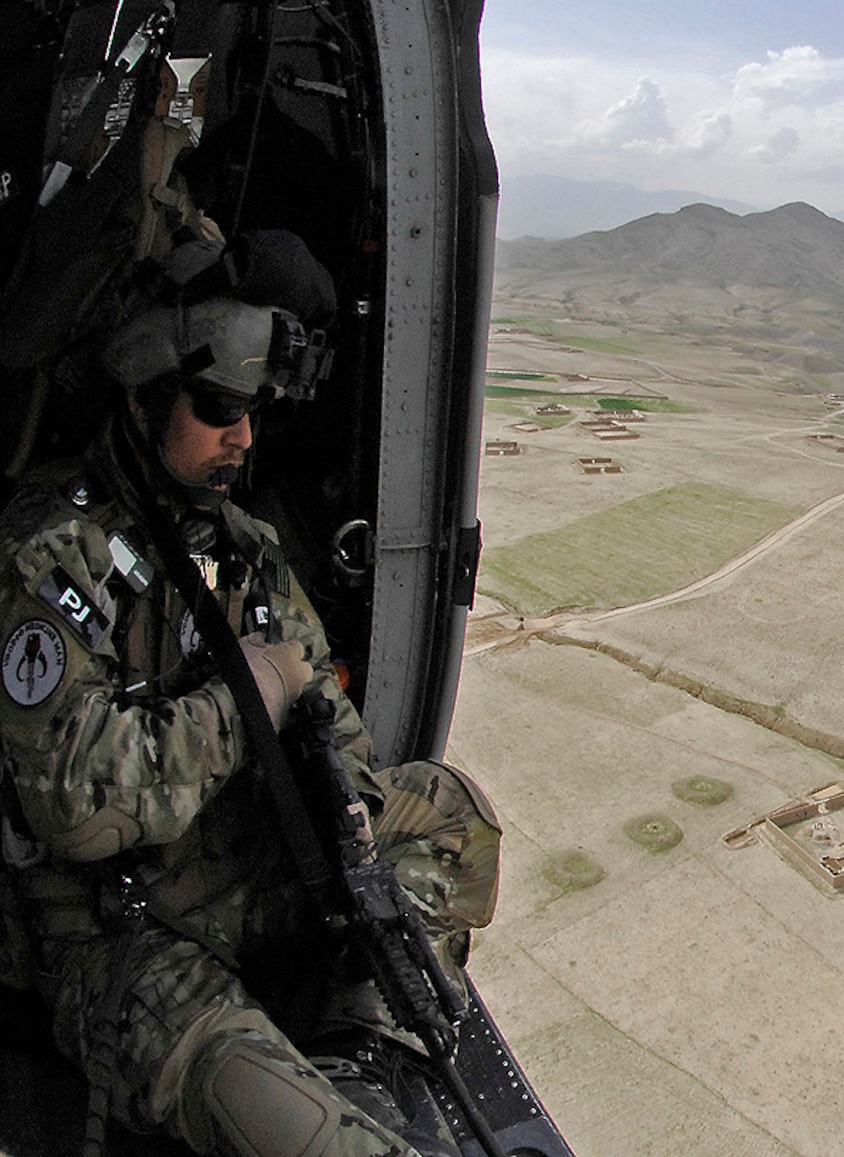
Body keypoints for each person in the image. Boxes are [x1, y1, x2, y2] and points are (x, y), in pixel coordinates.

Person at [0, 250, 501, 1156]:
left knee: (450, 813)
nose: (243, 438)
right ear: (147, 394)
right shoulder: (53, 553)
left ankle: (357, 1050)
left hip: (244, 874)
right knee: (281, 1115)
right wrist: (251, 695)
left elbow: (335, 732)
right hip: (117, 932)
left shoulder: (242, 549)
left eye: (253, 413)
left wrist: (345, 816)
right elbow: (77, 806)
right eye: (220, 409)